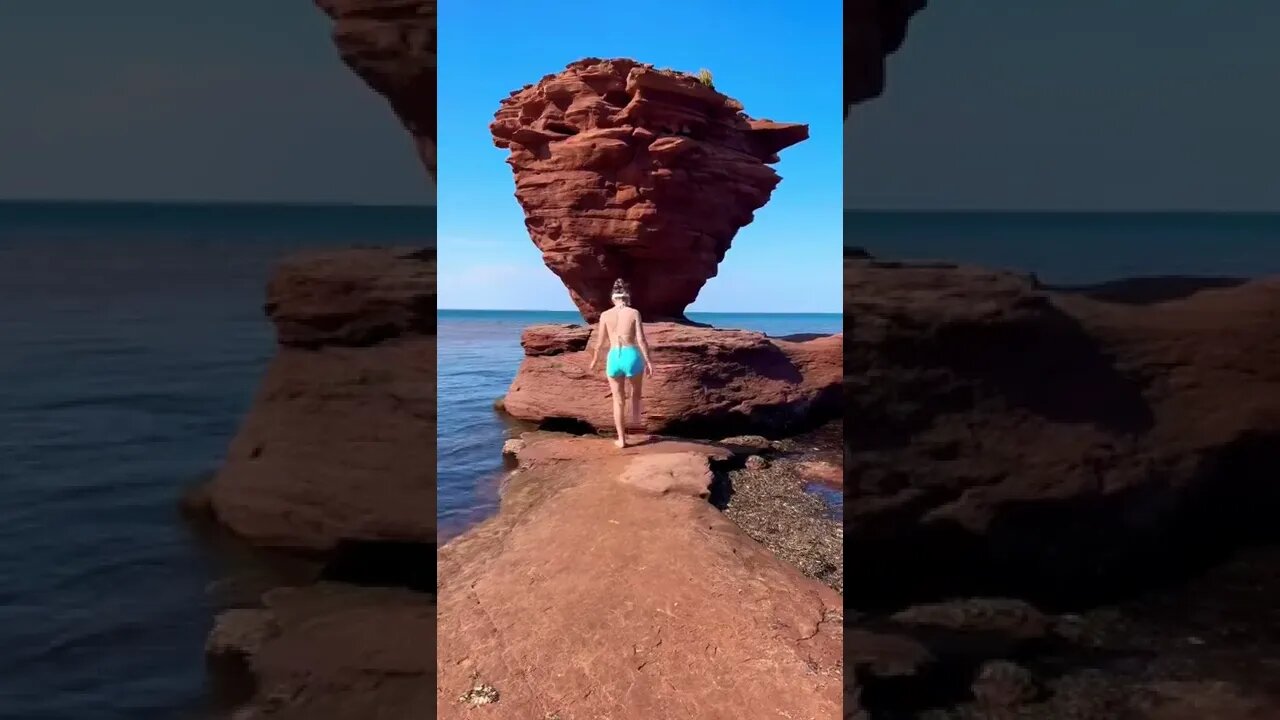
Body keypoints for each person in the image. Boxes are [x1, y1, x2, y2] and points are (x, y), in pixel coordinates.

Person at [588, 278, 654, 448]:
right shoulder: (634, 313)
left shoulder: (605, 315)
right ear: (627, 297)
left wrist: (595, 359)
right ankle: (636, 430)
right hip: (631, 355)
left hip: (614, 357)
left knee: (618, 400)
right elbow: (641, 339)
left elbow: (600, 342)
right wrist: (648, 360)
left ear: (613, 298)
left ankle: (622, 440)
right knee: (636, 396)